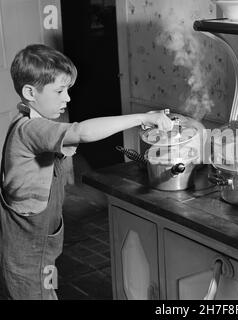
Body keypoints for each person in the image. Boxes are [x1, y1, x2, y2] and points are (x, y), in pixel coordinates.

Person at [0, 44, 173, 300]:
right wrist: (142, 118)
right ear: (30, 92)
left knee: (46, 288)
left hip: (42, 242)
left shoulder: (32, 120)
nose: (67, 98)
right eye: (59, 91)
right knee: (36, 291)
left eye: (67, 90)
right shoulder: (31, 129)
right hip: (28, 248)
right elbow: (81, 132)